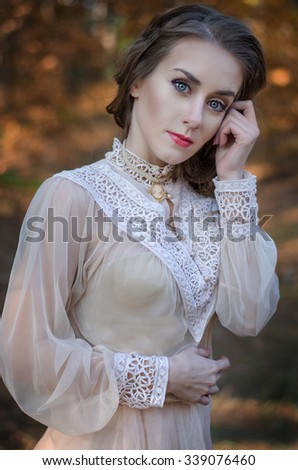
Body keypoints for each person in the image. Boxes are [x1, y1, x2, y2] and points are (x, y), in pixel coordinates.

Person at [0, 3, 279, 450]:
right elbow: (26, 353)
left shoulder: (218, 205)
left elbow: (248, 316)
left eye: (216, 103)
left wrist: (231, 182)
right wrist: (164, 377)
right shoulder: (72, 195)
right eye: (182, 85)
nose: (194, 117)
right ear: (137, 79)